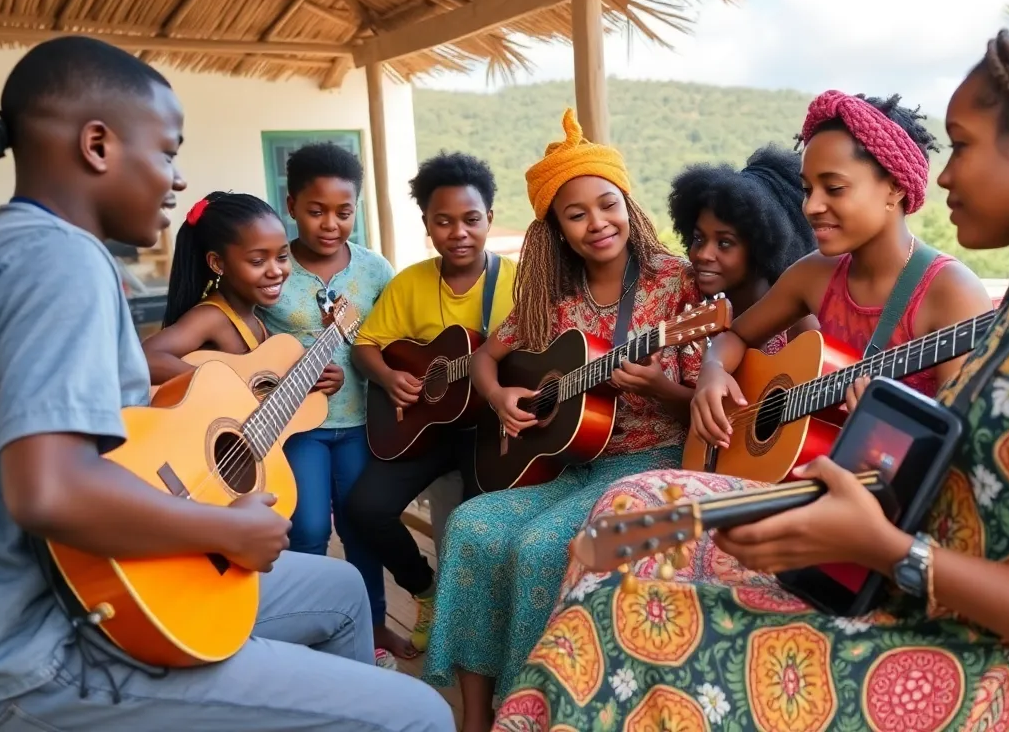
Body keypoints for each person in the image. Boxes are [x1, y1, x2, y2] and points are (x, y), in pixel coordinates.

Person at [492, 18, 1009, 732]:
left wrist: (887, 550)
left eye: (960, 146)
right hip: (922, 582)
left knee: (622, 625)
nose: (941, 176)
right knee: (637, 507)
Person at [0, 36, 452, 730]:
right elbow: (50, 489)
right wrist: (225, 528)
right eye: (167, 152)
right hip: (49, 643)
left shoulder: (22, 248)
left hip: (97, 582)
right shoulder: (59, 262)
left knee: (342, 590)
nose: (177, 180)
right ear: (97, 145)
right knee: (420, 715)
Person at [422, 109, 703, 732]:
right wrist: (499, 397)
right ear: (556, 230)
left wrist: (661, 387)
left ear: (628, 205)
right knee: (470, 525)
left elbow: (703, 406)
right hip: (575, 465)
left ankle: (531, 713)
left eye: (608, 205)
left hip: (652, 465)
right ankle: (476, 717)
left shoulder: (674, 286)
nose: (597, 223)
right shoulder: (553, 295)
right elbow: (485, 358)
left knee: (539, 546)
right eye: (576, 215)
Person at [690, 91, 995, 451]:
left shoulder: (951, 291)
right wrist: (713, 369)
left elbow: (963, 441)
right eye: (807, 189)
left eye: (834, 188)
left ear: (895, 187)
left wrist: (891, 425)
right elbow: (736, 336)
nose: (812, 206)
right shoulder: (814, 274)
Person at [347, 151, 518, 661]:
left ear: (489, 218)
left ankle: (481, 631)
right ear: (427, 224)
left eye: (471, 219)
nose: (458, 232)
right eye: (443, 221)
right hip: (425, 426)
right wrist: (388, 376)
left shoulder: (519, 283)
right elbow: (365, 344)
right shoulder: (411, 282)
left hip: (489, 427)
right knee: (364, 508)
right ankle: (424, 590)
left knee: (476, 528)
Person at [258, 142, 397, 659]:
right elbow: (248, 342)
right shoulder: (274, 269)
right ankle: (309, 631)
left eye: (344, 211)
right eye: (316, 211)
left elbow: (389, 339)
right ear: (291, 205)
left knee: (361, 528)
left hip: (360, 423)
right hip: (298, 429)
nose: (331, 224)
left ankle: (373, 624)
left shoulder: (374, 270)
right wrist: (289, 372)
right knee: (309, 526)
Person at [141, 191, 342, 397]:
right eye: (257, 261)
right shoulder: (211, 317)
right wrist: (220, 384)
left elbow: (262, 393)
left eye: (282, 256)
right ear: (218, 263)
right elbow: (145, 358)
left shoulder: (255, 320)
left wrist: (321, 377)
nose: (275, 271)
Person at [669, 142, 819, 348]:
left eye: (724, 243)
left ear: (760, 247)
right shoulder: (691, 310)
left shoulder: (799, 325)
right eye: (699, 239)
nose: (703, 254)